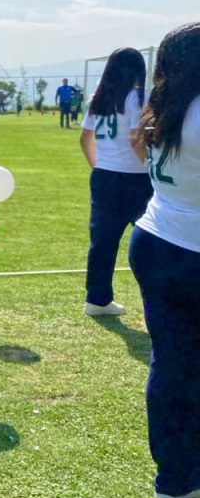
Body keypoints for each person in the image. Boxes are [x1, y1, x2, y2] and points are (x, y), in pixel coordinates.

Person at [128, 23, 200, 498]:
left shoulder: (163, 106)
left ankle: (175, 477)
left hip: (155, 240)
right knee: (179, 366)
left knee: (172, 363)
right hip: (188, 251)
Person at [78, 48, 151, 317]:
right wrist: (150, 169)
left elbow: (84, 139)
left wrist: (99, 167)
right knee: (153, 240)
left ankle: (96, 300)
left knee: (102, 241)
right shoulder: (137, 97)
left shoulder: (98, 98)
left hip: (104, 177)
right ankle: (160, 300)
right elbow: (135, 138)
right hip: (136, 178)